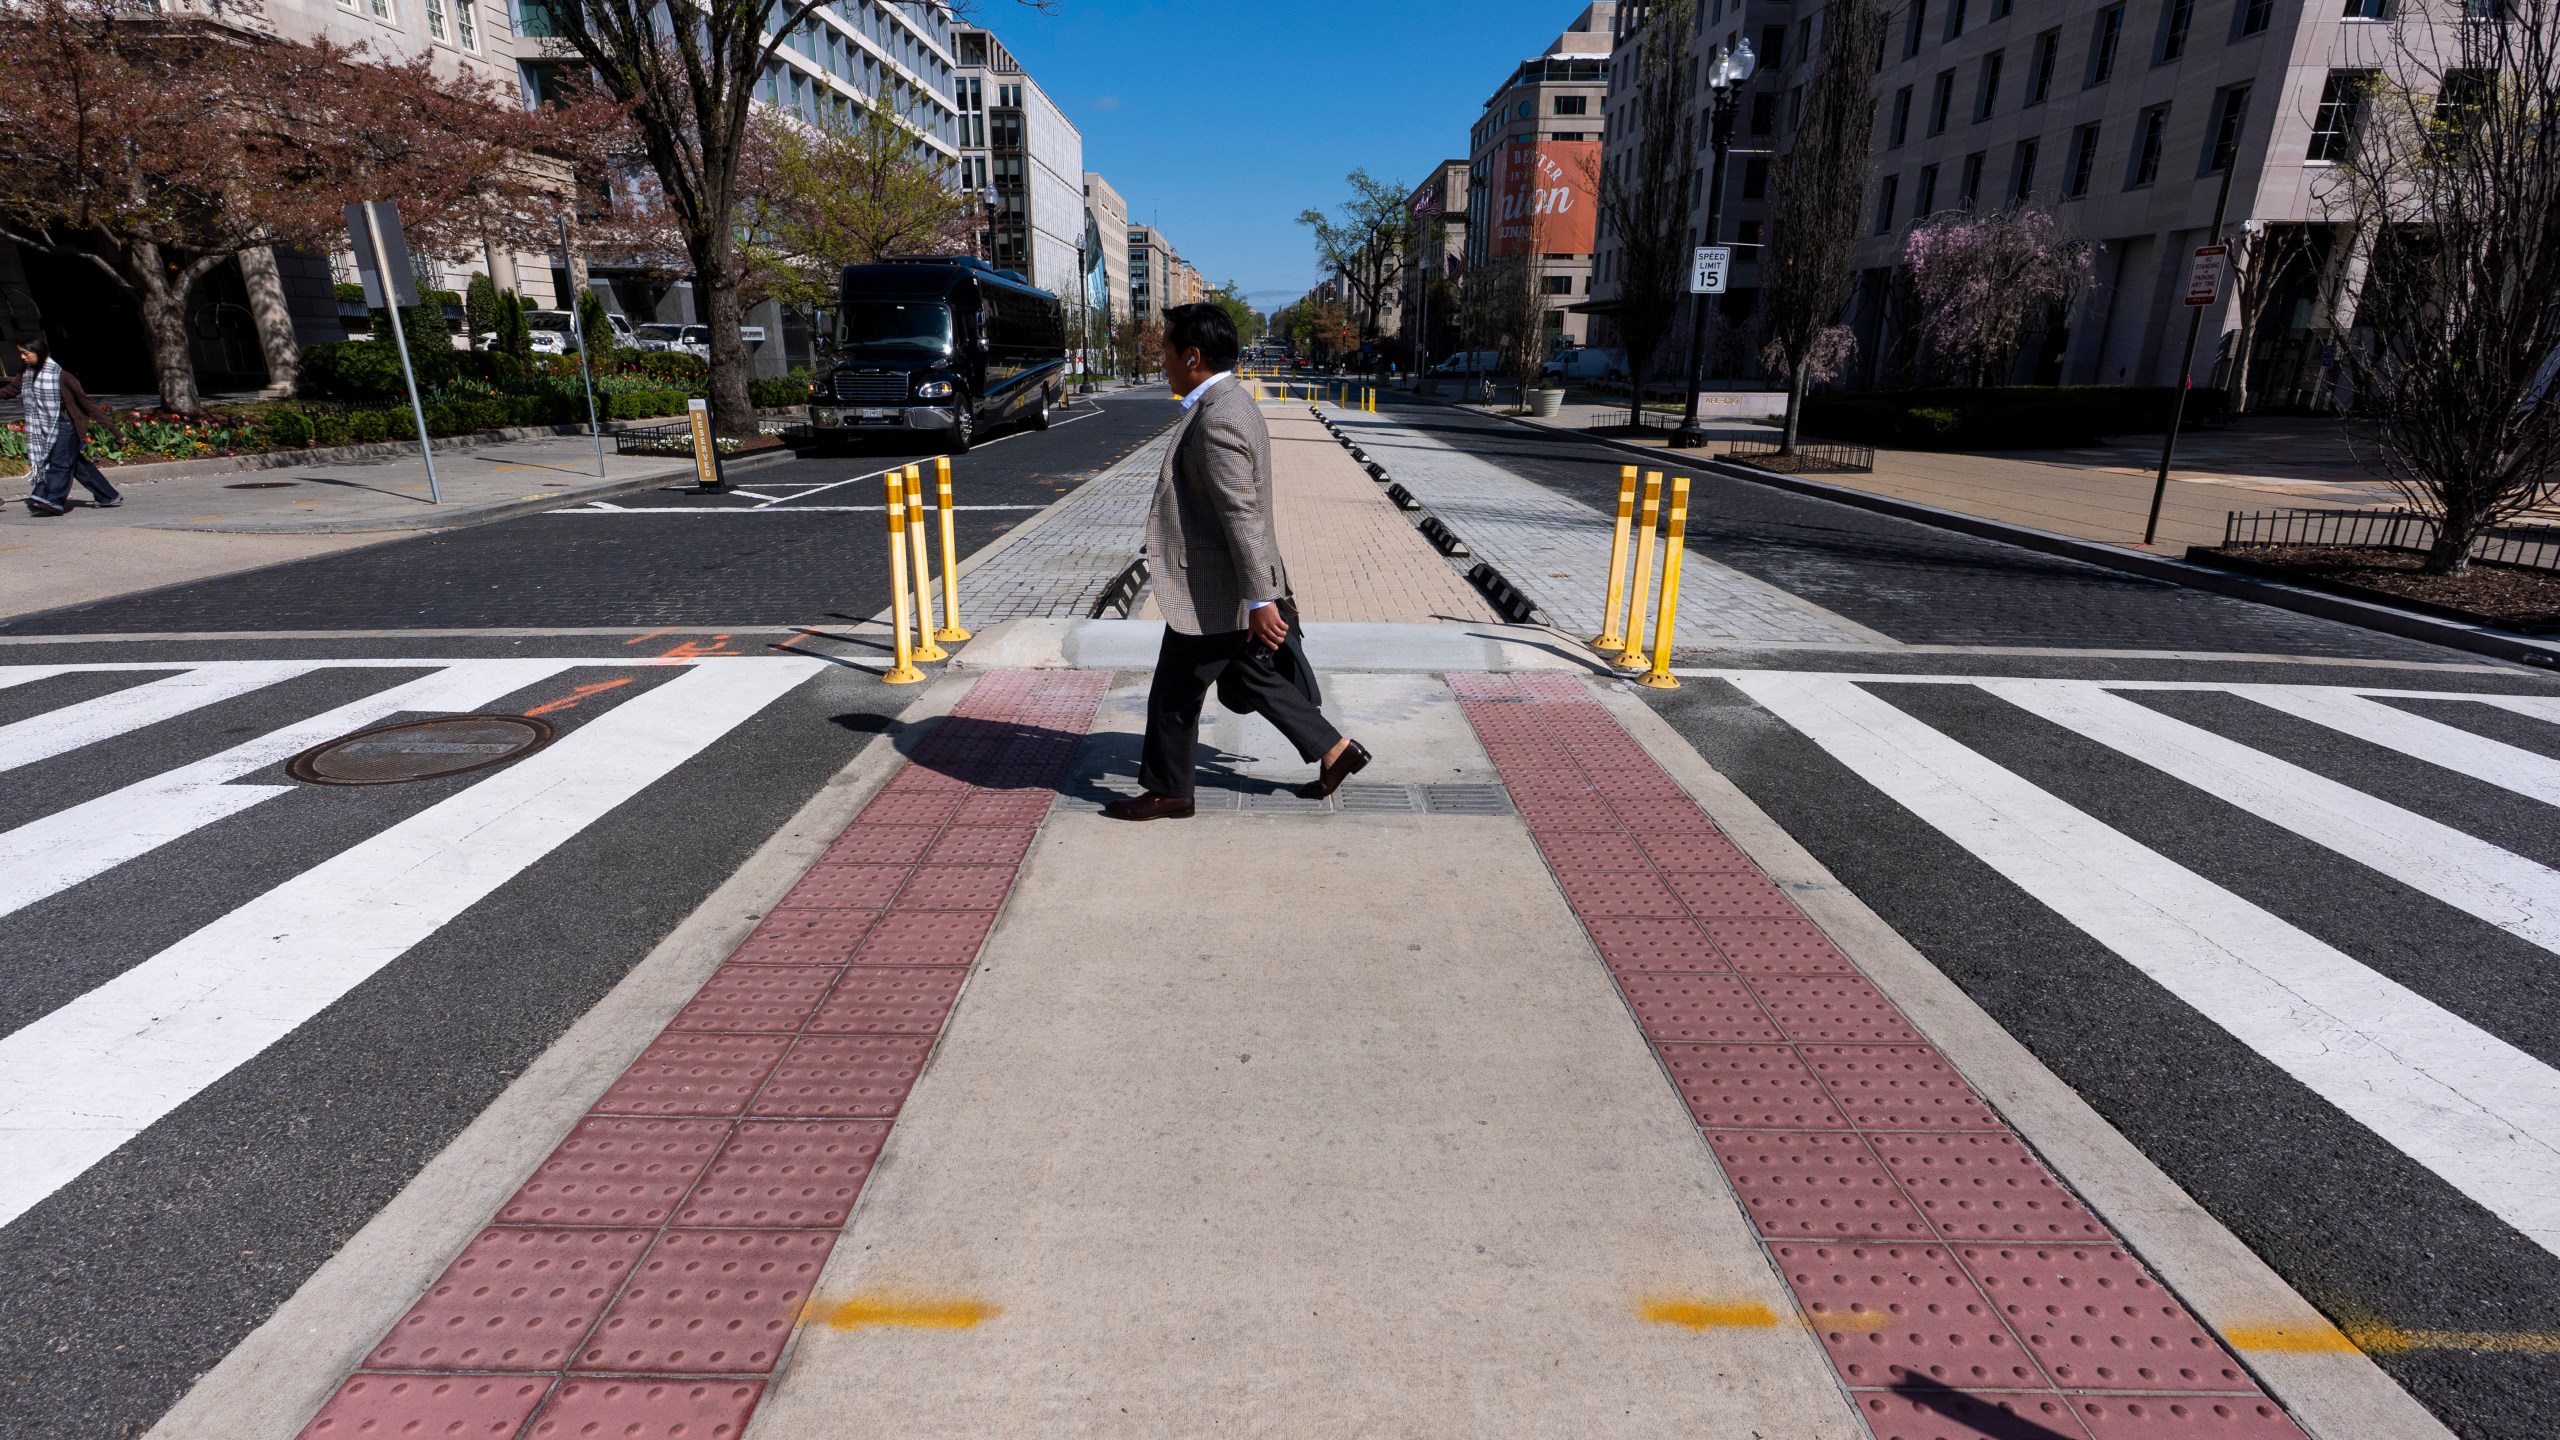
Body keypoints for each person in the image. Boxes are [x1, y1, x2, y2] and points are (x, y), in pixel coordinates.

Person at [1103, 303, 1370, 822]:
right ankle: (1337, 751)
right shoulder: (1233, 402)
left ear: (1193, 356)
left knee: (1174, 693)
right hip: (1229, 581)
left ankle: (1170, 791)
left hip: (1215, 583)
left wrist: (1259, 599)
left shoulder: (1217, 419)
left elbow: (1240, 513)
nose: (1163, 363)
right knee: (1246, 676)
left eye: (1167, 352)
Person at [6, 336, 119, 517]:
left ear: (39, 352)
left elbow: (87, 403)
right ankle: (108, 496)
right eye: (20, 354)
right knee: (76, 465)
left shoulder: (62, 376)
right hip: (45, 426)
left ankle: (50, 499)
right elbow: (11, 391)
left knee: (59, 464)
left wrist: (113, 430)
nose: (22, 357)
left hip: (65, 425)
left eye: (26, 353)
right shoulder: (26, 373)